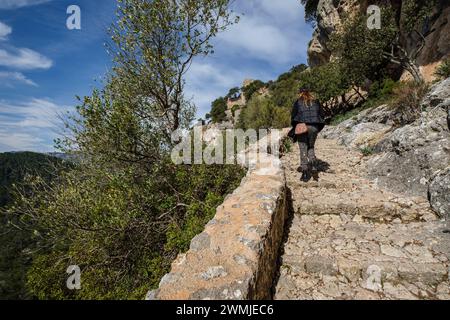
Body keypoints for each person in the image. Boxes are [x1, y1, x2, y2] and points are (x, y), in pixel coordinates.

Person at [290, 87, 325, 182]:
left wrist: (295, 126)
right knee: (311, 147)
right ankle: (314, 169)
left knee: (303, 148)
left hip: (302, 127)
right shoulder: (316, 101)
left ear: (300, 93)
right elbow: (322, 114)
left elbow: (293, 116)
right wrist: (317, 126)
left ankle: (305, 172)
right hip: (314, 127)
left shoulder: (298, 102)